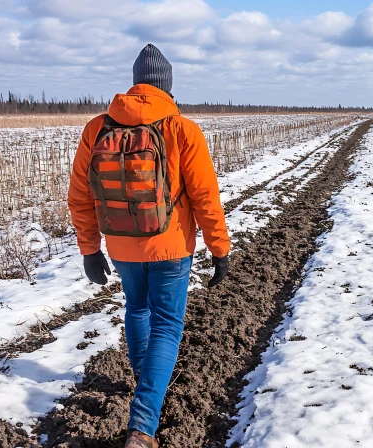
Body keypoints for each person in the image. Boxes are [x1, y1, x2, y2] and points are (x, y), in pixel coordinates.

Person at [68, 43, 230, 448]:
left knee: (137, 309)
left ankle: (149, 389)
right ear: (167, 85)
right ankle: (142, 428)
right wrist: (219, 248)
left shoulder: (97, 128)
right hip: (171, 245)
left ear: (135, 80)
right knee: (168, 326)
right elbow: (205, 196)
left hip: (121, 247)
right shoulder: (182, 129)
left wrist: (90, 248)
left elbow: (80, 195)